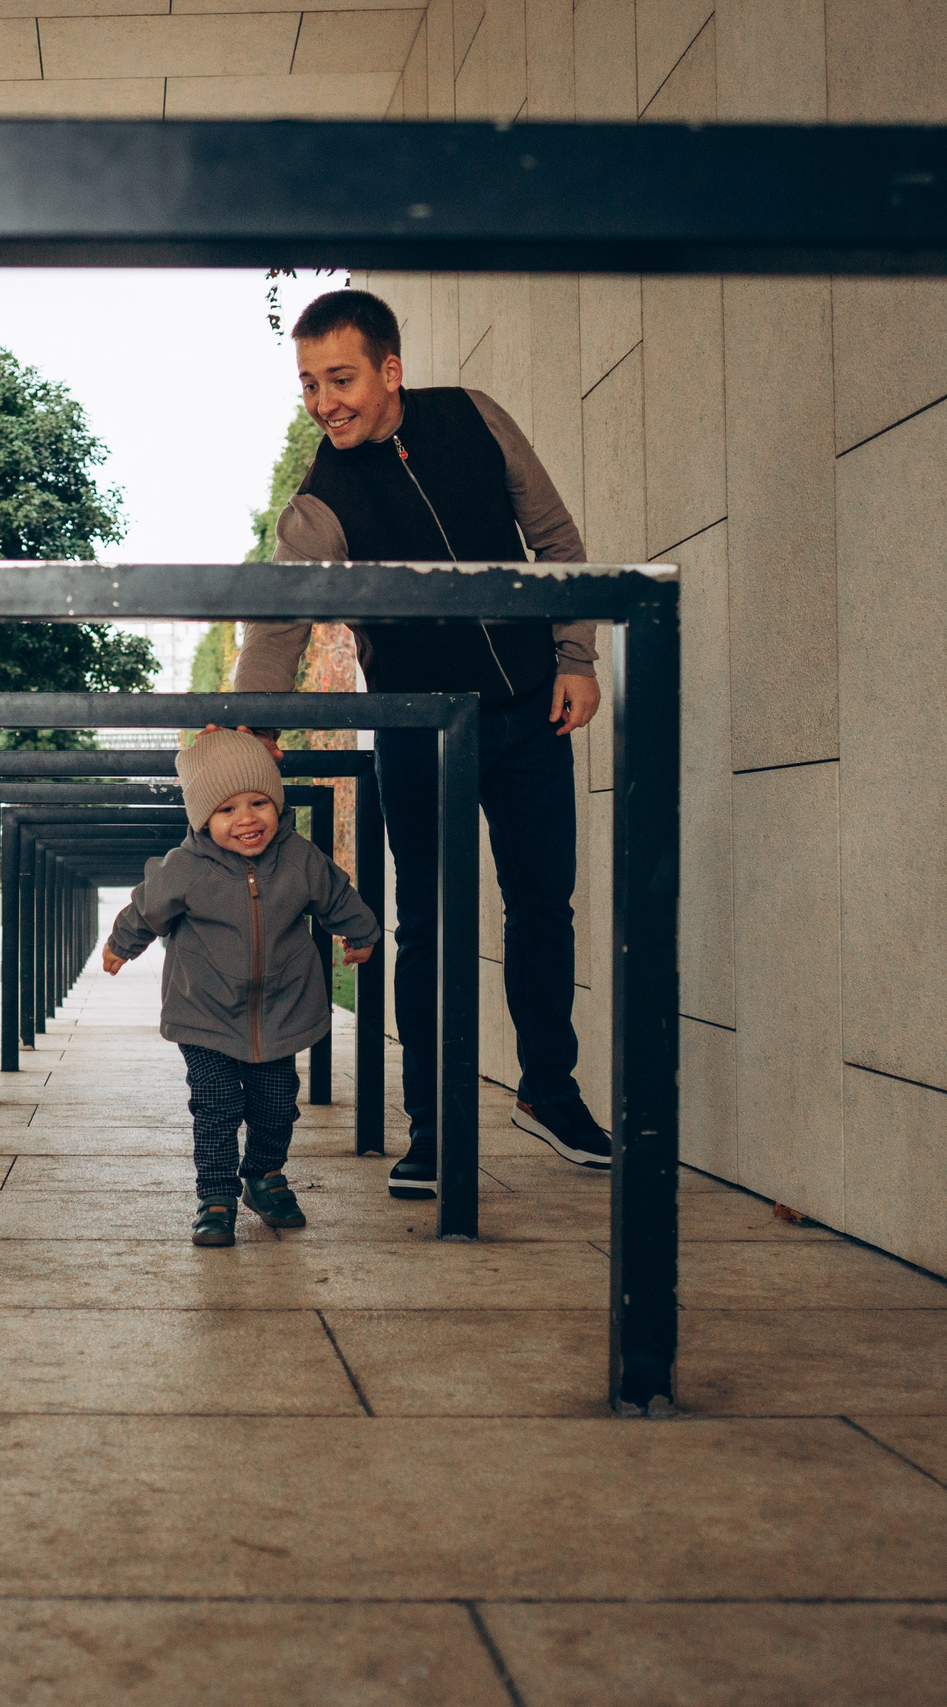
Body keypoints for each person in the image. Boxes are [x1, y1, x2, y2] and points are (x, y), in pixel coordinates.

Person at [231, 287, 610, 1196]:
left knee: (542, 907)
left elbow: (556, 541)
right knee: (429, 926)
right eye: (309, 385)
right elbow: (278, 626)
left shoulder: (475, 420)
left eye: (342, 379)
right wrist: (251, 726)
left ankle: (548, 1091)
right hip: (417, 725)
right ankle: (435, 1126)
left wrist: (576, 652)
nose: (325, 403)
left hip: (527, 709)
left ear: (390, 370)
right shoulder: (320, 503)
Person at [100, 729, 378, 1247]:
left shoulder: (299, 858)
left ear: (277, 801)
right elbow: (146, 907)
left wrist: (361, 933)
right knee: (216, 1104)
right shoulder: (185, 867)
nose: (247, 819)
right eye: (227, 810)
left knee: (277, 1105)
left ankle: (265, 1175)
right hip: (204, 1013)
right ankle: (216, 1197)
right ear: (203, 818)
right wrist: (122, 944)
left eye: (258, 802)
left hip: (281, 1011)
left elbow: (338, 896)